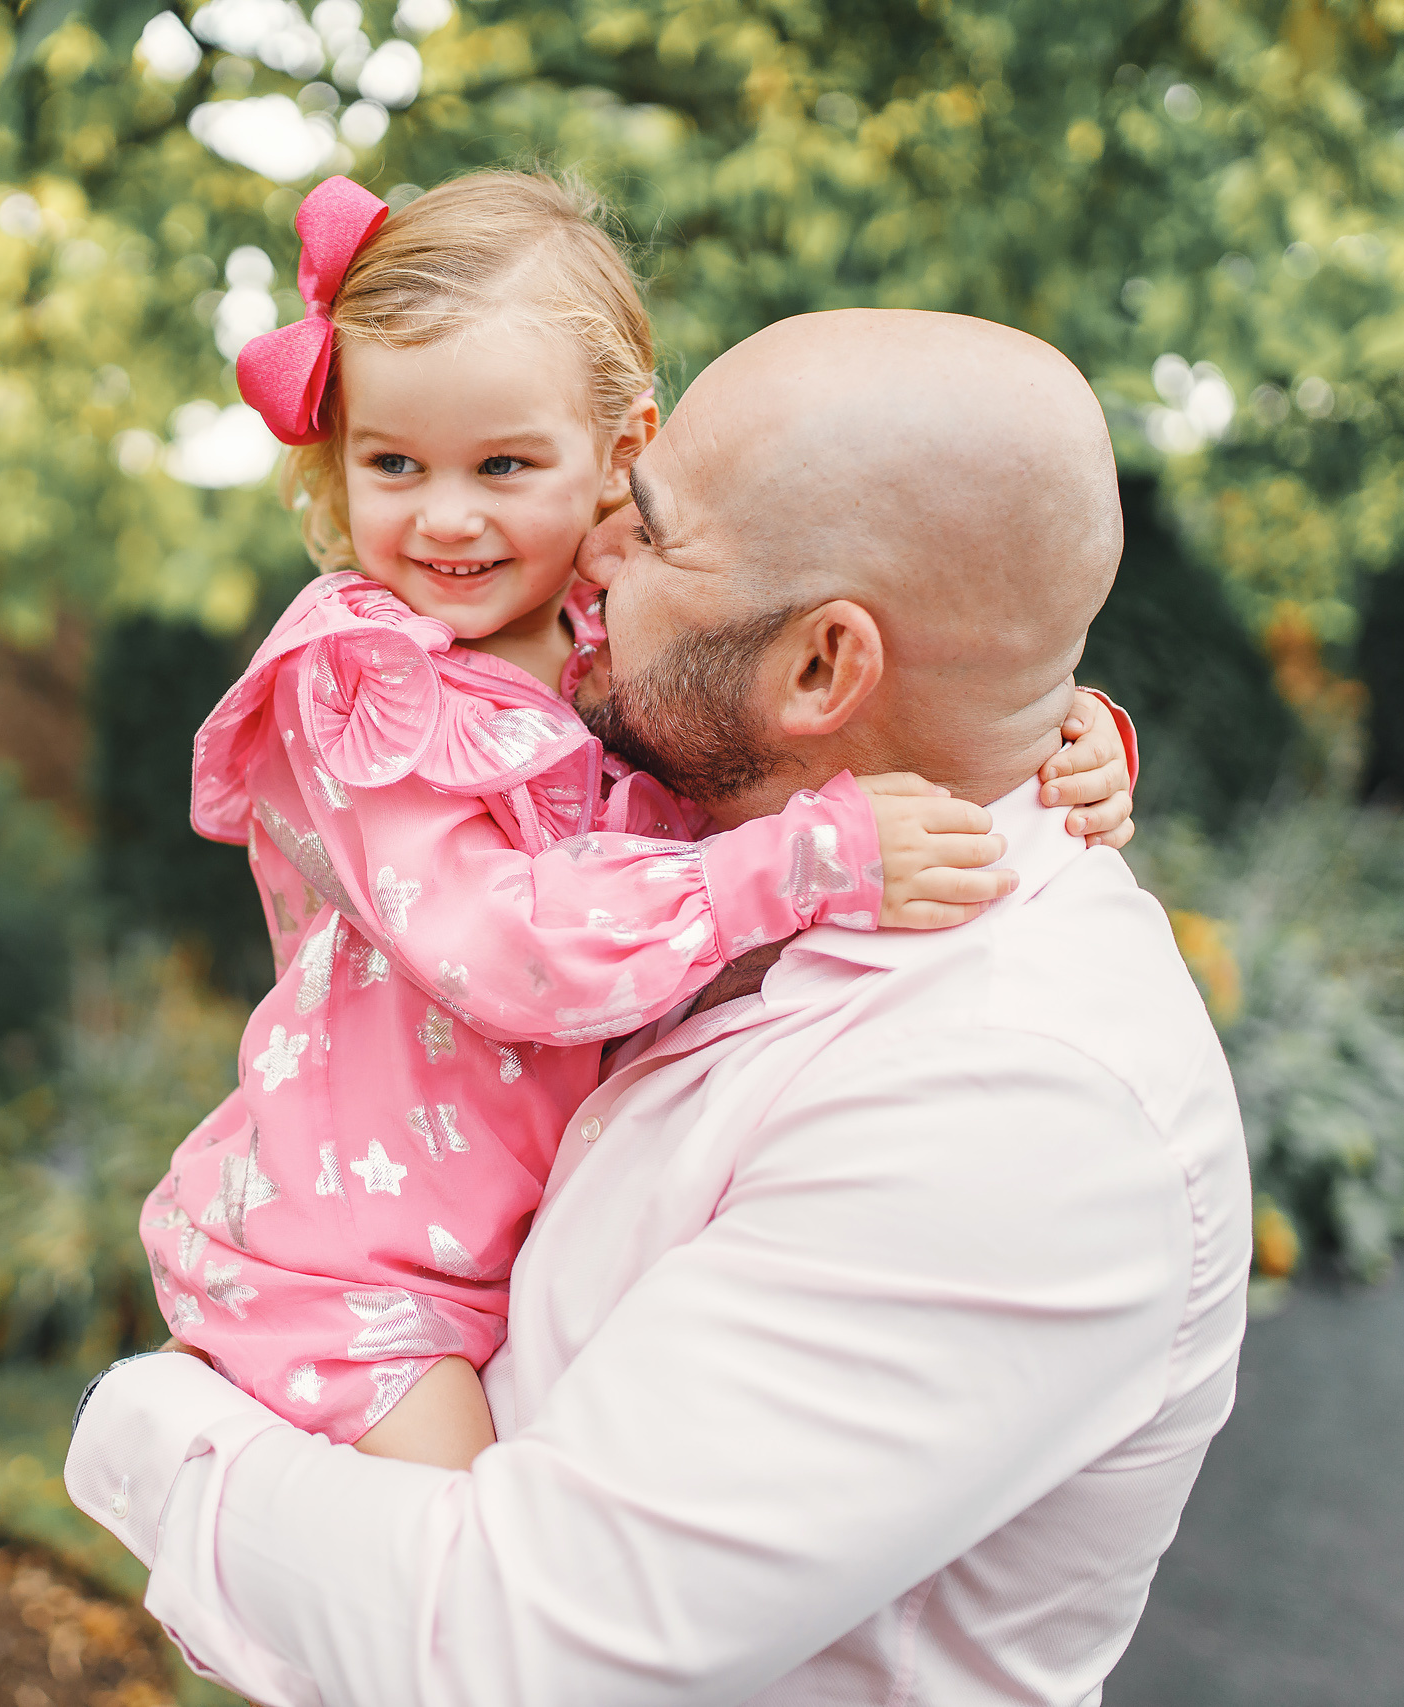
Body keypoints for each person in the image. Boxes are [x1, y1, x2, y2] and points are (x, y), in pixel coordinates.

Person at [68, 306, 1248, 1706]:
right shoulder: (740, 839)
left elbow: (508, 1653)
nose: (592, 547)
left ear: (821, 669)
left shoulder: (1016, 1101)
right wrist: (1073, 724)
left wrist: (145, 1428)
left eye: (654, 525)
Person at [139, 171, 1138, 1478]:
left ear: (621, 452)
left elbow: (884, 674)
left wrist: (1064, 735)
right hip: (358, 1259)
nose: (444, 516)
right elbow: (498, 946)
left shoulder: (616, 640)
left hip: (520, 1235)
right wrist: (796, 865)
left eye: (504, 465)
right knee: (456, 1607)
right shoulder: (366, 684)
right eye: (392, 464)